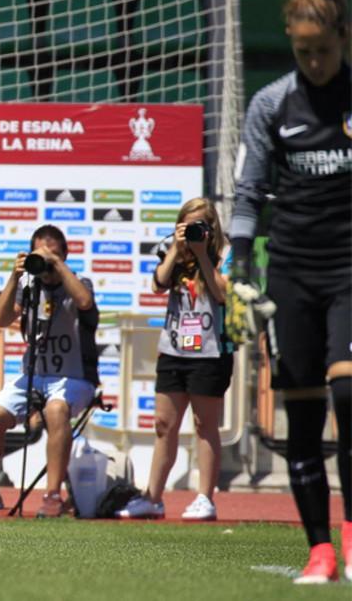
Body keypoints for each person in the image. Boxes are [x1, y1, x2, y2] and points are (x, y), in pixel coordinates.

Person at [231, 0, 351, 584]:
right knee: (300, 415)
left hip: (350, 269)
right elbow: (249, 191)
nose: (313, 63)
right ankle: (321, 551)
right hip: (293, 273)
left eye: (323, 51)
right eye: (302, 52)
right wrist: (240, 261)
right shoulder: (271, 104)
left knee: (349, 392)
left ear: (343, 39)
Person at [0, 224, 98, 519]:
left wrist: (57, 264)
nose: (45, 263)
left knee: (56, 409)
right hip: (35, 375)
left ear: (65, 255)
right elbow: (1, 318)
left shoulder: (79, 282)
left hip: (75, 378)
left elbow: (84, 302)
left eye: (53, 255)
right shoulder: (29, 287)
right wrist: (16, 275)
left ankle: (53, 494)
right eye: (40, 255)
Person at [119, 198, 231, 521]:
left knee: (203, 424)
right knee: (163, 425)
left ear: (211, 228)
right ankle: (153, 498)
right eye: (188, 224)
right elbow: (157, 285)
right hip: (173, 348)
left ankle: (205, 497)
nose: (194, 231)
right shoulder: (172, 251)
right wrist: (176, 249)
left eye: (200, 226)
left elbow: (222, 294)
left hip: (210, 351)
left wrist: (202, 254)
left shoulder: (223, 254)